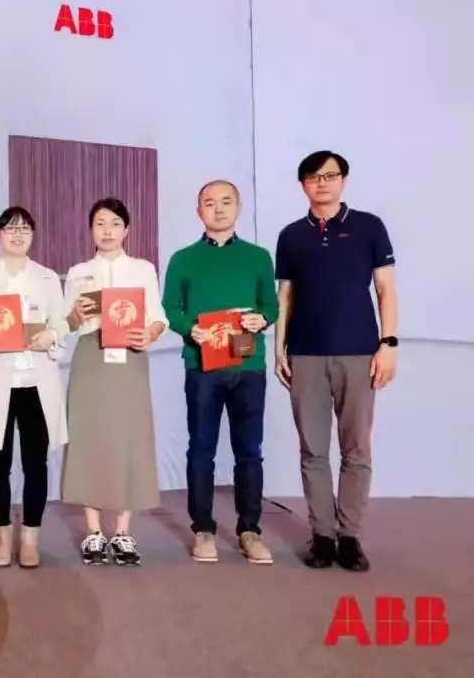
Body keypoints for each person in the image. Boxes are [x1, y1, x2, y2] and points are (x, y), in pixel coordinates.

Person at [274, 150, 397, 572]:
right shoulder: (291, 235)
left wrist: (389, 344)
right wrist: (279, 348)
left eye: (329, 175)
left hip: (359, 352)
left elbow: (385, 289)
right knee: (312, 449)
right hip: (305, 353)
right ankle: (322, 535)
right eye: (313, 176)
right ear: (303, 185)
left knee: (356, 449)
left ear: (343, 179)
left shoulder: (369, 227)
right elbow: (286, 296)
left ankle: (350, 537)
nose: (321, 183)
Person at [162, 180, 277, 565]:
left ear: (238, 208)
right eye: (210, 203)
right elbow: (170, 308)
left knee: (250, 452)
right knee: (201, 449)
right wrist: (189, 328)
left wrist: (262, 319)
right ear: (199, 212)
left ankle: (250, 530)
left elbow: (271, 305)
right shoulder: (183, 259)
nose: (219, 209)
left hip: (248, 367)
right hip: (202, 367)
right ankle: (203, 529)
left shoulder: (258, 257)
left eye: (226, 202)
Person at [0, 207, 68, 569]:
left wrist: (50, 335)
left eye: (24, 229)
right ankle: (2, 538)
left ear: (33, 235)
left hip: (36, 381)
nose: (17, 234)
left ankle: (30, 537)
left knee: (36, 464)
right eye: (10, 228)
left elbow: (61, 323)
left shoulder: (47, 278)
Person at [62, 197, 167, 566]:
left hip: (129, 356)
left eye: (114, 224)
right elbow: (66, 324)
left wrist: (149, 334)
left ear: (127, 229)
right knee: (89, 437)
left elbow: (158, 316)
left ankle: (122, 532)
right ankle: (93, 531)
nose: (107, 231)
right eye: (100, 224)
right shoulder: (78, 272)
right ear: (91, 230)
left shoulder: (142, 269)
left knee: (128, 438)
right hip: (91, 357)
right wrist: (74, 315)